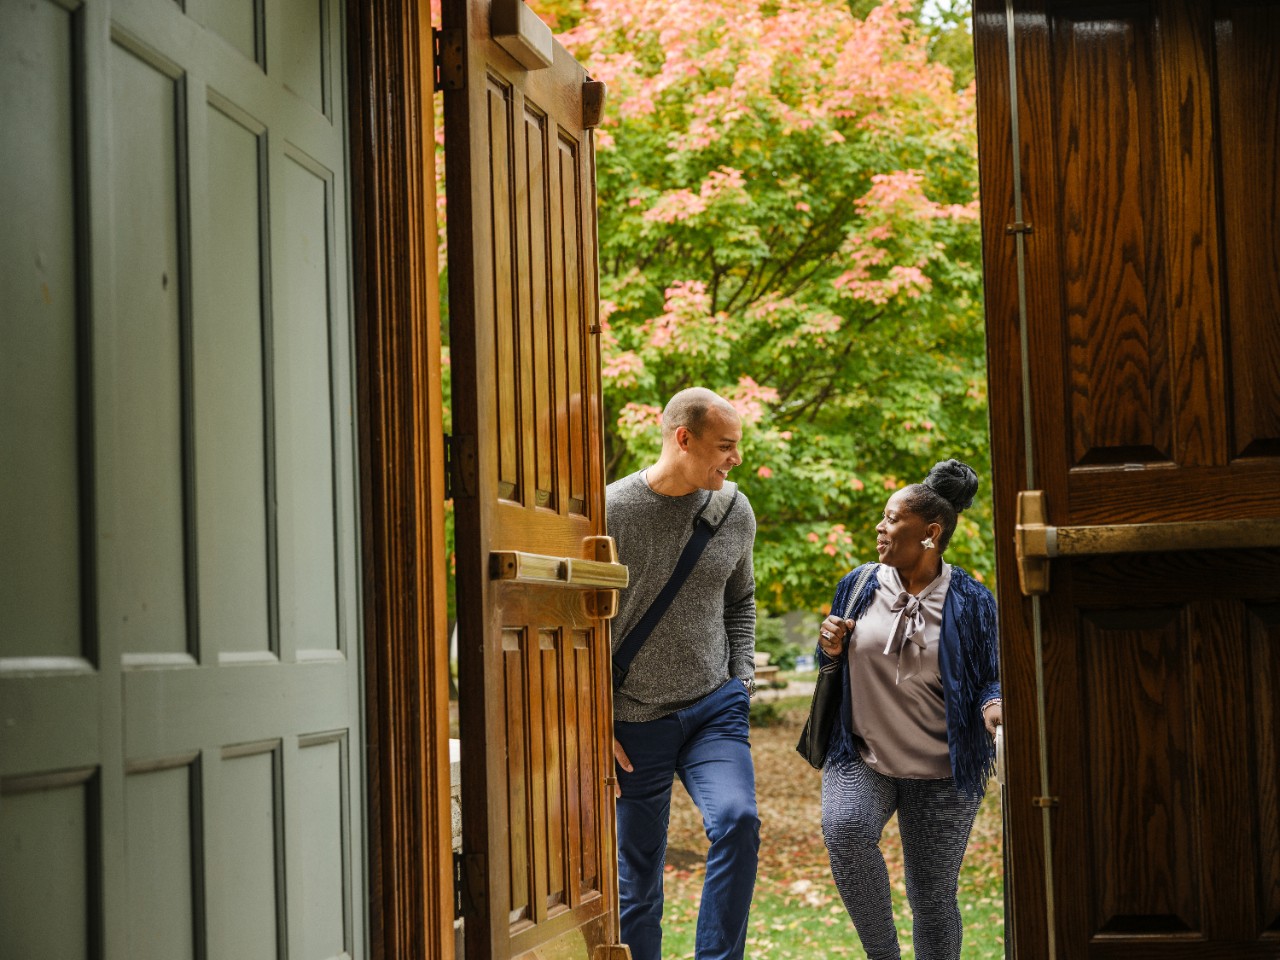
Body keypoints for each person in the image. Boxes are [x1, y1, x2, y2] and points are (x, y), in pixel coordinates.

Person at [814, 459, 1001, 960]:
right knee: (845, 829)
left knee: (933, 896)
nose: (880, 526)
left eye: (892, 518)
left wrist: (994, 704)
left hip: (942, 767)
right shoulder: (858, 584)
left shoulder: (972, 600)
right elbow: (832, 662)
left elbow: (990, 677)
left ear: (930, 533)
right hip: (862, 753)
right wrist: (828, 647)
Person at [608, 387, 760, 960]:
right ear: (683, 439)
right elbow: (576, 627)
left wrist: (740, 677)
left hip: (713, 709)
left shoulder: (733, 510)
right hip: (633, 722)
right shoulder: (611, 512)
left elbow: (740, 600)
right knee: (637, 877)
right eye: (725, 446)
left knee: (738, 821)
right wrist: (593, 717)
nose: (735, 459)